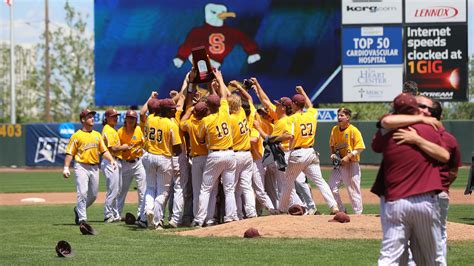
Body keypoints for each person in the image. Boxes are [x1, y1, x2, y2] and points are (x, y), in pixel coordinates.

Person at [372, 93, 449, 265]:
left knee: (389, 257)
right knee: (432, 258)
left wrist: (417, 139)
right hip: (425, 201)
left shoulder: (386, 132)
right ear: (416, 109)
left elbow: (378, 140)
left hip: (395, 201)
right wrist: (422, 125)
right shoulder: (431, 127)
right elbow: (445, 155)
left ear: (394, 109)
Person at [278, 86, 339, 214]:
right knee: (320, 181)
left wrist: (273, 139)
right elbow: (310, 105)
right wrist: (303, 92)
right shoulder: (311, 115)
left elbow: (289, 135)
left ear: (294, 104)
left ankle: (281, 209)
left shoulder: (292, 119)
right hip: (311, 153)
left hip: (298, 154)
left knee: (288, 182)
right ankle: (334, 206)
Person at [192, 69, 238, 227]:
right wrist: (219, 77)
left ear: (207, 107)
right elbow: (225, 95)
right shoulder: (225, 111)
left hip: (215, 155)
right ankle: (231, 217)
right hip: (230, 154)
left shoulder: (206, 120)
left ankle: (199, 219)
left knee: (205, 189)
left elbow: (199, 139)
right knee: (229, 189)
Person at [63, 109, 116, 225]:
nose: (92, 118)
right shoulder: (76, 136)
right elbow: (70, 153)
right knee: (82, 192)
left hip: (94, 167)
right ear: (83, 120)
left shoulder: (97, 135)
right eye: (89, 116)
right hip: (81, 166)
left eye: (92, 116)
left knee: (93, 196)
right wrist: (66, 167)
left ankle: (78, 210)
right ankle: (82, 219)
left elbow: (104, 151)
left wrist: (111, 160)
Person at [142, 98, 183, 230]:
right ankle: (157, 221)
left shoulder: (150, 119)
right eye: (172, 109)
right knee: (162, 191)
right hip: (163, 157)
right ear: (166, 110)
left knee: (149, 187)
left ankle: (148, 209)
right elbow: (177, 149)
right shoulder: (171, 124)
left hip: (148, 156)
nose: (175, 110)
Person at [328, 108, 365, 214]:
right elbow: (332, 145)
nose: (339, 117)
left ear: (348, 117)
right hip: (340, 164)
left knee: (353, 189)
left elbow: (360, 147)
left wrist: (349, 156)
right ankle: (341, 209)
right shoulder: (334, 129)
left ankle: (358, 214)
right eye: (338, 115)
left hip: (352, 164)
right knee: (331, 186)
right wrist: (333, 154)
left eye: (342, 115)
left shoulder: (353, 130)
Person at [117, 110, 146, 221]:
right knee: (122, 190)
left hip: (139, 162)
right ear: (125, 119)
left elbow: (145, 142)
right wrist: (122, 149)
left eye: (133, 118)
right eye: (129, 118)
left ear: (136, 119)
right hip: (125, 163)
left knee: (142, 190)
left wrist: (142, 148)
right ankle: (118, 213)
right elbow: (115, 149)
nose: (130, 120)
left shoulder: (139, 129)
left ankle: (141, 215)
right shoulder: (120, 132)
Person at [101, 108, 129, 223]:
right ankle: (108, 215)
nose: (115, 118)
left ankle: (115, 214)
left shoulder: (112, 129)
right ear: (106, 118)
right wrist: (125, 147)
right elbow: (113, 148)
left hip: (116, 161)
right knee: (113, 190)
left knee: (117, 190)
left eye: (116, 116)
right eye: (112, 116)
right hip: (110, 161)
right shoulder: (107, 130)